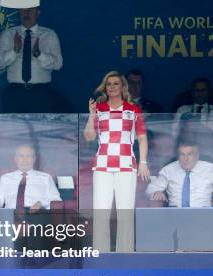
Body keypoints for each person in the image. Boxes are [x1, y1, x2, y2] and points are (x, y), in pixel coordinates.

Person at [84, 71, 150, 252]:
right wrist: (91, 115)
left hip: (127, 166)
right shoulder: (100, 109)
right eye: (109, 84)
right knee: (101, 213)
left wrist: (143, 163)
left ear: (122, 87)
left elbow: (142, 137)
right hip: (102, 166)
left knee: (125, 213)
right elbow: (89, 136)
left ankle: (125, 254)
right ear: (105, 88)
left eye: (116, 83)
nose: (112, 87)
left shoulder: (133, 109)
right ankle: (101, 254)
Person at [0, 6, 63, 113]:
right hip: (14, 94)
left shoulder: (49, 34)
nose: (26, 13)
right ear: (19, 12)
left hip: (41, 93)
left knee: (42, 129)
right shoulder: (9, 34)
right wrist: (14, 51)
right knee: (13, 129)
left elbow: (58, 64)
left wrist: (39, 54)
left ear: (38, 12)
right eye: (23, 10)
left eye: (31, 9)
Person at [0, 144, 61, 211]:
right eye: (21, 156)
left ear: (34, 159)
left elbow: (56, 199)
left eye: (28, 156)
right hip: (11, 216)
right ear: (15, 159)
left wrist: (41, 204)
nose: (24, 160)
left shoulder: (45, 178)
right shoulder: (5, 178)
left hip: (36, 215)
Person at [146, 141, 213, 207]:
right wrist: (156, 192)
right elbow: (151, 188)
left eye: (190, 154)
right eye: (182, 154)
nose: (185, 158)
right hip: (175, 214)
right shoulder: (168, 170)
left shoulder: (210, 169)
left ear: (197, 155)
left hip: (203, 213)